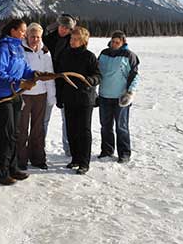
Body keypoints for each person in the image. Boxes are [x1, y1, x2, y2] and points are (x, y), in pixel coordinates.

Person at [0, 19, 36, 185]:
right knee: (5, 134)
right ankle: (1, 172)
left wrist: (35, 74)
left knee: (15, 133)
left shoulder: (18, 48)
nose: (24, 34)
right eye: (22, 31)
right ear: (13, 31)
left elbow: (24, 69)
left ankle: (13, 167)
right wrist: (17, 82)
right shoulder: (2, 48)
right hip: (3, 96)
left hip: (15, 95)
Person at [56, 26, 101, 175]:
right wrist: (59, 97)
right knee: (71, 129)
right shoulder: (65, 55)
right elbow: (60, 78)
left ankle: (84, 161)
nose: (72, 41)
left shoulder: (89, 56)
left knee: (83, 130)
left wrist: (89, 80)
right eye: (71, 38)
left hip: (84, 99)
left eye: (76, 39)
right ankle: (75, 158)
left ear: (83, 41)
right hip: (69, 98)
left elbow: (98, 76)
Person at [17, 22, 56, 170]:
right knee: (22, 128)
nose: (35, 40)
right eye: (32, 36)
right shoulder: (20, 49)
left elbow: (50, 74)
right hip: (25, 94)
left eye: (38, 37)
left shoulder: (45, 52)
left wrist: (51, 96)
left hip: (41, 95)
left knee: (38, 128)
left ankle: (38, 158)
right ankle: (20, 159)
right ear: (27, 35)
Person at [97, 30, 140, 163]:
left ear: (123, 43)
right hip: (104, 96)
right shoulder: (104, 53)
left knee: (121, 127)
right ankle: (107, 150)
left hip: (121, 98)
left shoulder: (129, 55)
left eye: (117, 42)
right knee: (105, 126)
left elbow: (135, 76)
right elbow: (97, 71)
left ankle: (124, 153)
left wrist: (130, 93)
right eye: (113, 42)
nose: (114, 44)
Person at [42, 14, 77, 156]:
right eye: (62, 26)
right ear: (58, 26)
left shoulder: (73, 41)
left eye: (67, 28)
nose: (64, 30)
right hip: (48, 82)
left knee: (67, 119)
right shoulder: (48, 39)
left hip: (66, 84)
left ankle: (68, 149)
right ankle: (39, 147)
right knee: (44, 119)